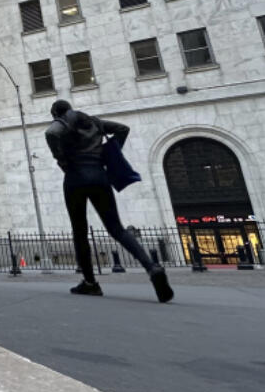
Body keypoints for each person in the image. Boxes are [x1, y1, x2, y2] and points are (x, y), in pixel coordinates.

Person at [44, 100, 173, 303]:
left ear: (56, 113)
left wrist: (61, 159)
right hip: (99, 175)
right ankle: (152, 267)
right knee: (117, 229)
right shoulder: (94, 122)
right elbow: (122, 129)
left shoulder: (63, 121)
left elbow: (51, 134)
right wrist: (108, 153)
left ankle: (90, 283)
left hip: (75, 176)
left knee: (80, 232)